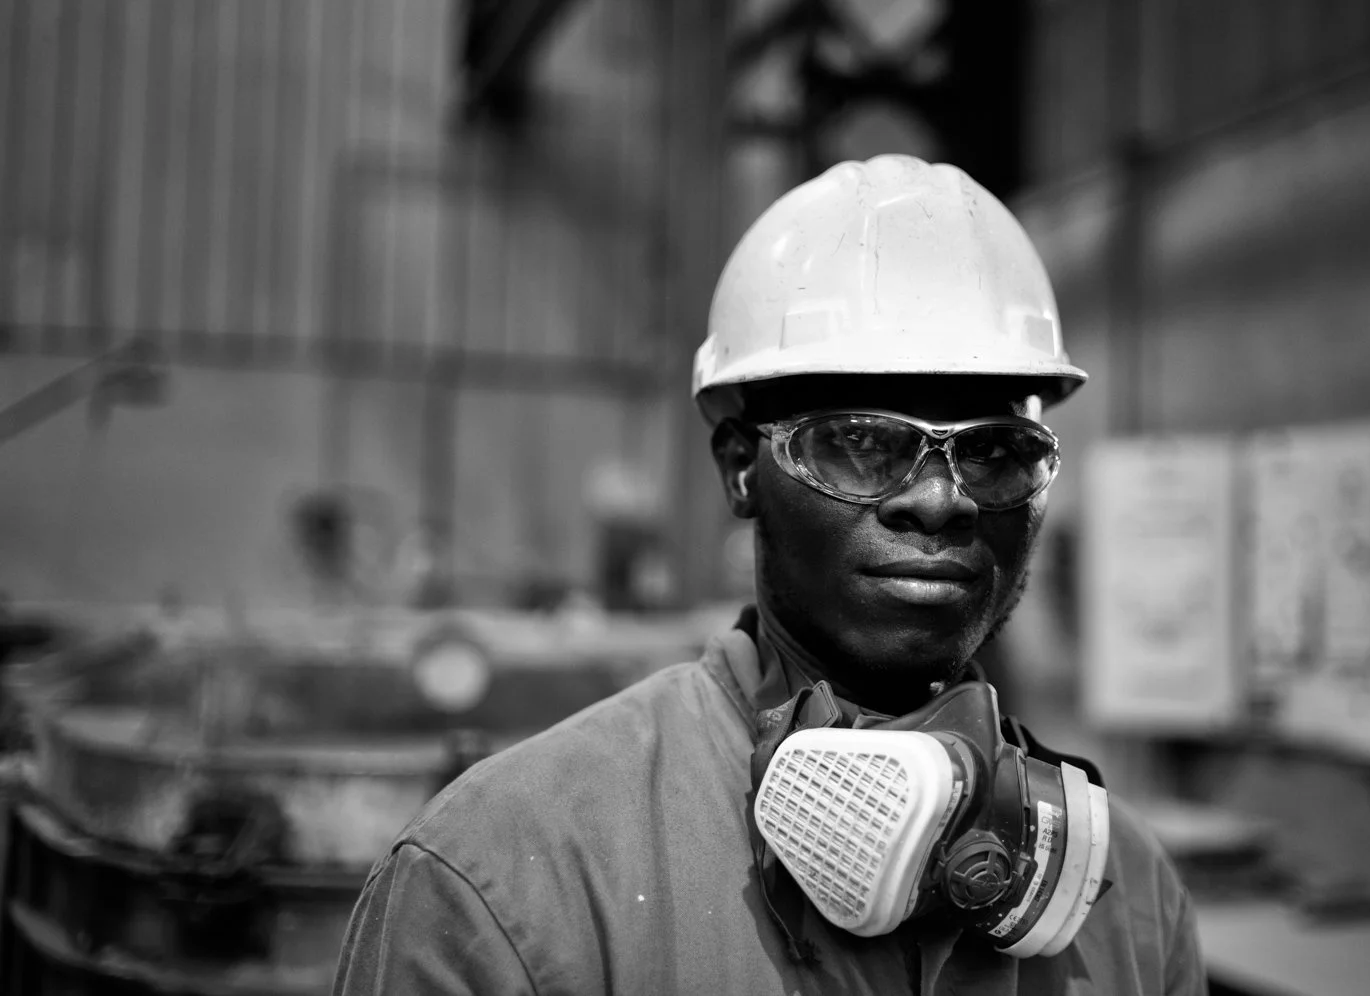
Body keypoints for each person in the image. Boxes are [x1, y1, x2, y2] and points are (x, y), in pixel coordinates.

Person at [332, 154, 1206, 995]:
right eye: (861, 443)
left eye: (998, 451)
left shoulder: (1128, 900)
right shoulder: (504, 884)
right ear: (741, 467)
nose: (942, 501)